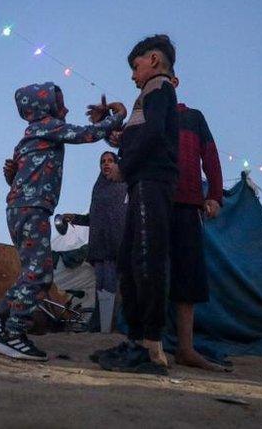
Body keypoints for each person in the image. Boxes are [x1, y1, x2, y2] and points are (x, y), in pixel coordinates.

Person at [0, 83, 126, 361]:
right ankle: (14, 334)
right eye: (61, 105)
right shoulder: (47, 126)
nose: (67, 110)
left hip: (19, 209)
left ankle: (1, 314)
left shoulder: (28, 137)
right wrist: (116, 116)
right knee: (40, 274)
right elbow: (87, 134)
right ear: (45, 108)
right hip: (33, 209)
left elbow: (18, 179)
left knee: (31, 271)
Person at [95, 34, 179, 375]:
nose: (132, 75)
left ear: (154, 61)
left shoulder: (159, 88)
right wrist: (119, 136)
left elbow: (155, 134)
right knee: (129, 262)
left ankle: (151, 345)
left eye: (135, 66)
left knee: (146, 260)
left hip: (151, 183)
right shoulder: (147, 96)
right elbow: (141, 135)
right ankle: (135, 339)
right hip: (139, 184)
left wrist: (124, 166)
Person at [169, 75, 225, 371]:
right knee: (147, 270)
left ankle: (186, 348)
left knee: (187, 275)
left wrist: (214, 194)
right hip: (153, 202)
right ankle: (143, 342)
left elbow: (211, 156)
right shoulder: (145, 112)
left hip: (188, 202)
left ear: (174, 82)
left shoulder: (193, 117)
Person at [60, 151, 128, 330]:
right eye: (103, 161)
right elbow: (95, 218)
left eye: (111, 161)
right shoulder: (98, 189)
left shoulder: (124, 185)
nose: (106, 164)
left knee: (114, 287)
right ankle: (99, 326)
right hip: (99, 245)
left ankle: (111, 327)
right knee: (101, 288)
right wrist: (74, 218)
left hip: (117, 245)